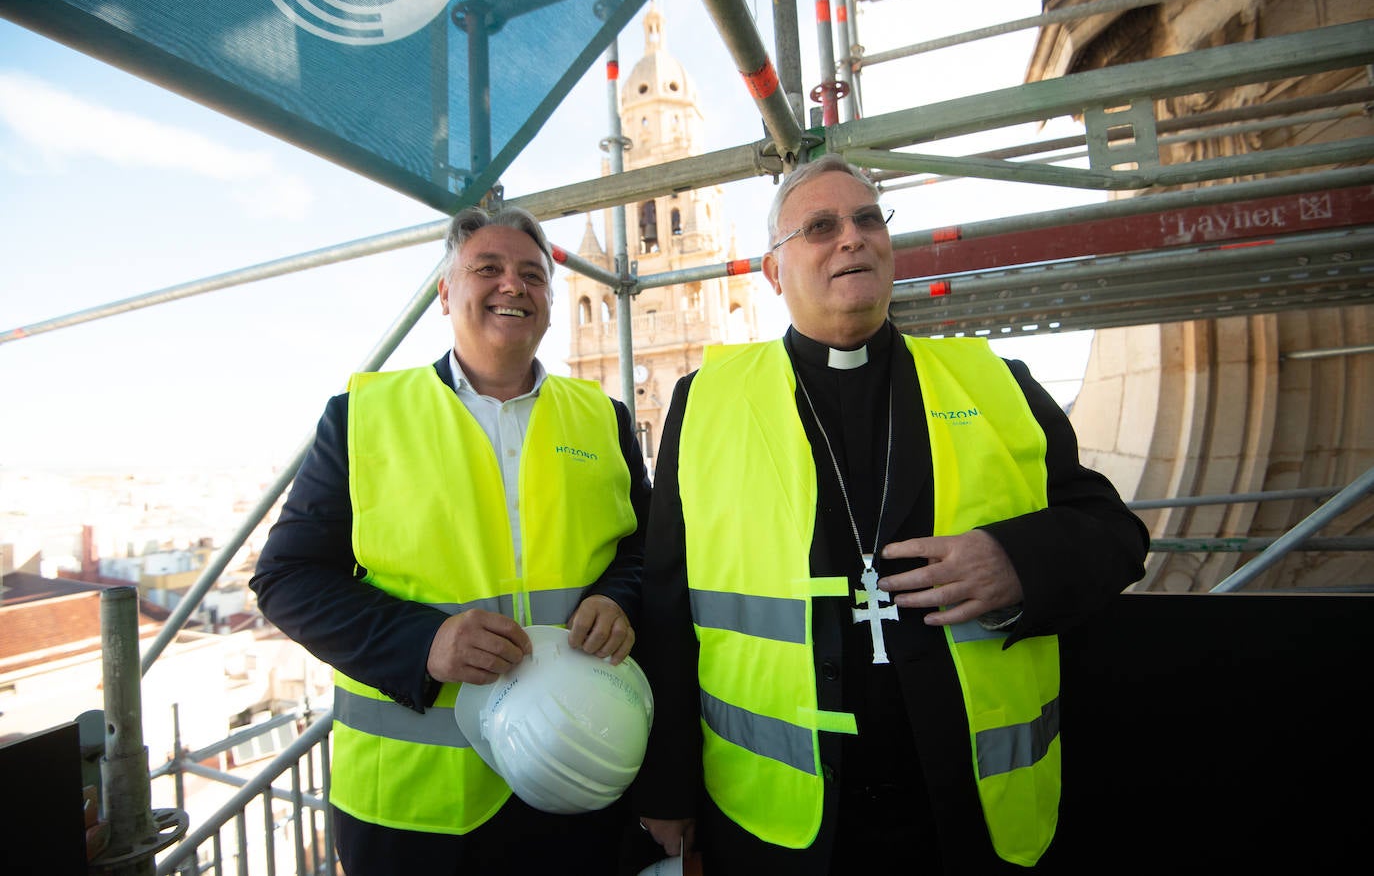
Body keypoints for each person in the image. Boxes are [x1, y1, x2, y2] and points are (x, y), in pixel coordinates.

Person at [631, 154, 1149, 874]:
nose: (852, 237)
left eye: (868, 219)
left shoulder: (995, 381)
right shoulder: (705, 400)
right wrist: (667, 788)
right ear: (774, 272)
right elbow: (667, 605)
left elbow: (1116, 534)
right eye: (820, 226)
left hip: (963, 811)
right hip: (781, 823)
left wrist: (1016, 561)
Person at [250, 205, 652, 876]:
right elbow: (286, 578)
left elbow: (644, 555)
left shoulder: (603, 419)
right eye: (486, 268)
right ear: (445, 293)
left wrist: (621, 598)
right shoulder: (363, 418)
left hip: (579, 780)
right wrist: (424, 644)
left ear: (551, 298)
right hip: (416, 812)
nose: (511, 286)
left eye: (531, 273)